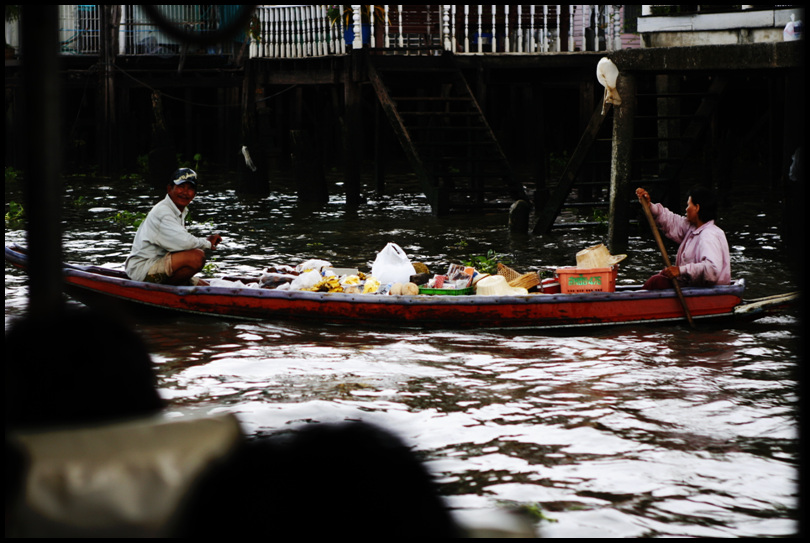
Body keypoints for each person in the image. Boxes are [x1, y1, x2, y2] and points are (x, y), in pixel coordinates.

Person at [125, 168, 222, 286]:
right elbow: (184, 242)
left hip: (158, 263)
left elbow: (181, 243)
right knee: (197, 257)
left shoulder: (179, 210)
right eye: (181, 187)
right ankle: (165, 292)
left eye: (190, 188)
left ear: (194, 194)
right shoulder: (163, 212)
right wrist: (207, 243)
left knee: (206, 286)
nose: (185, 192)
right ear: (169, 189)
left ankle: (175, 288)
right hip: (142, 269)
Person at [636, 185, 731, 290]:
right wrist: (649, 206)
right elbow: (671, 221)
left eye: (688, 205)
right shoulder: (693, 228)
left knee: (657, 282)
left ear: (697, 208)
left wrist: (681, 270)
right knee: (661, 277)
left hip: (707, 292)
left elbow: (711, 270)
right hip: (692, 286)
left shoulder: (709, 234)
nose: (686, 209)